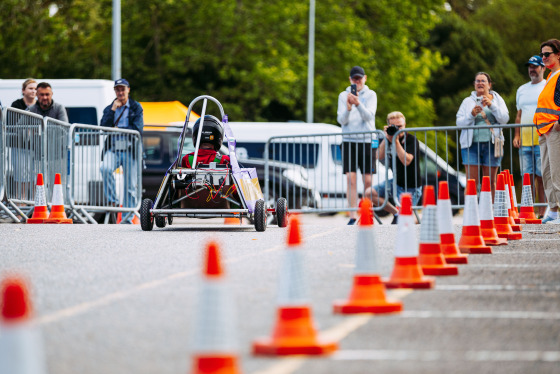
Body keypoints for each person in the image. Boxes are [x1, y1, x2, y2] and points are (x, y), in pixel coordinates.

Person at [456, 72, 509, 198]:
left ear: (489, 85)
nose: (480, 83)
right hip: (470, 146)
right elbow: (459, 123)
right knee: (472, 182)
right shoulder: (467, 101)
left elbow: (505, 119)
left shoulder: (497, 99)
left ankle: (491, 213)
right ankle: (471, 213)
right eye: (477, 81)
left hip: (492, 145)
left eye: (483, 81)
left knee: (490, 182)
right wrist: (471, 114)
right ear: (474, 85)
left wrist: (492, 105)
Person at [337, 66, 377, 225]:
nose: (357, 81)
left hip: (367, 140)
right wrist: (348, 108)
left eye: (359, 78)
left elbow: (369, 116)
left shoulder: (371, 94)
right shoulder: (343, 95)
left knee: (368, 180)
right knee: (351, 179)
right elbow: (341, 120)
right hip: (349, 140)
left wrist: (358, 103)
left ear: (365, 78)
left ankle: (367, 212)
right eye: (354, 79)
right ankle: (353, 215)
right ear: (350, 79)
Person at [365, 111, 421, 224]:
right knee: (369, 193)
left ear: (405, 125)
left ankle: (418, 219)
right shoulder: (388, 139)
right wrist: (386, 139)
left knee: (404, 222)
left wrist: (395, 141)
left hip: (411, 187)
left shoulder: (411, 140)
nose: (397, 129)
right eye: (394, 126)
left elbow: (407, 161)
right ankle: (396, 212)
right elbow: (378, 156)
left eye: (400, 126)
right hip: (395, 182)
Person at [100, 79, 144, 224]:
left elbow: (138, 128)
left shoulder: (136, 107)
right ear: (115, 92)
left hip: (130, 149)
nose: (120, 92)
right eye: (117, 90)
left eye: (122, 89)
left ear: (128, 90)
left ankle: (127, 219)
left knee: (130, 187)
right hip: (113, 148)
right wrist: (112, 110)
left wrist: (121, 130)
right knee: (105, 168)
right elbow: (103, 126)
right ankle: (113, 201)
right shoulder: (110, 108)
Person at [513, 55, 547, 219]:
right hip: (525, 140)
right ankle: (528, 212)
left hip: (543, 138)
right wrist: (517, 135)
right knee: (527, 178)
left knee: (542, 177)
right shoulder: (522, 89)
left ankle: (543, 211)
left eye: (535, 66)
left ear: (543, 68)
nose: (532, 69)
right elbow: (518, 115)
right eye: (530, 66)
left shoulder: (547, 85)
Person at [533, 39, 560, 224]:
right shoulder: (550, 76)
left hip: (554, 129)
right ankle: (553, 210)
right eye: (542, 54)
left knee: (557, 172)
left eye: (547, 54)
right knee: (546, 172)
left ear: (558, 55)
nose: (543, 57)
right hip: (544, 131)